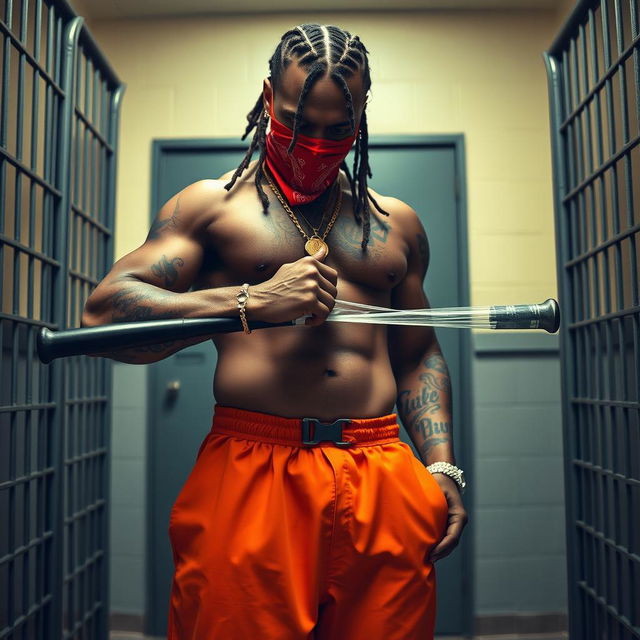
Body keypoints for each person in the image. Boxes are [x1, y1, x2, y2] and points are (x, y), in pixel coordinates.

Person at [82, 22, 468, 640]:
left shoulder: (397, 225)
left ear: (361, 115)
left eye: (337, 129)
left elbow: (419, 353)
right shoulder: (212, 208)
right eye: (296, 123)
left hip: (382, 467)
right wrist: (249, 302)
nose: (315, 144)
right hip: (254, 466)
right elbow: (103, 316)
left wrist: (443, 467)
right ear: (268, 99)